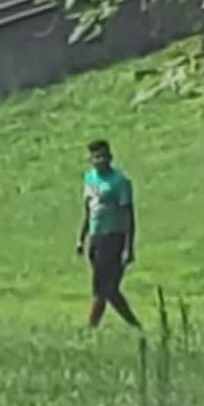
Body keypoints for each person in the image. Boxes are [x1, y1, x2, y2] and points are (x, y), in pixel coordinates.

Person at [75, 137, 141, 330]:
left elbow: (128, 215)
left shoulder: (119, 182)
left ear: (110, 157)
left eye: (103, 156)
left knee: (105, 288)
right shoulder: (89, 179)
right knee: (105, 288)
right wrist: (81, 237)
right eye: (96, 157)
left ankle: (92, 327)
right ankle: (133, 326)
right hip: (96, 237)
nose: (100, 160)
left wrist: (128, 247)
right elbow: (88, 211)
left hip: (114, 237)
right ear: (90, 159)